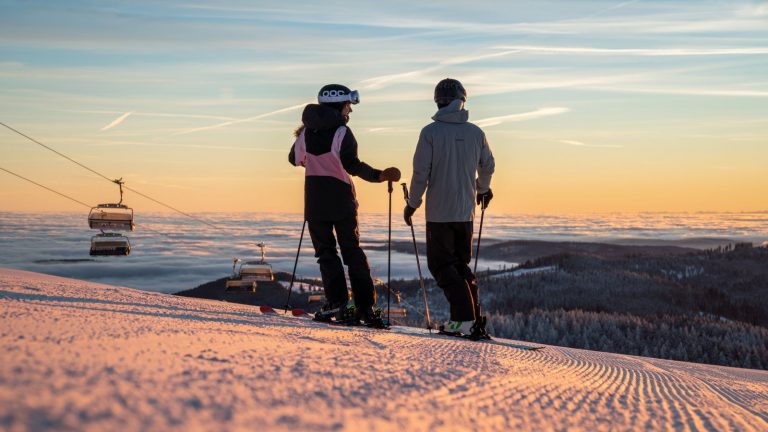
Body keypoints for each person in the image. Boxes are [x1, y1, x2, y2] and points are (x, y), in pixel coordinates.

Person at [289, 84, 401, 326]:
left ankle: (337, 303)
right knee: (352, 252)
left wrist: (309, 150)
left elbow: (294, 160)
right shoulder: (342, 133)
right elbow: (353, 165)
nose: (350, 110)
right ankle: (365, 308)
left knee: (326, 253)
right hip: (341, 200)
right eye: (349, 105)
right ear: (339, 105)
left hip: (315, 202)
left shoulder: (306, 134)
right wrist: (380, 175)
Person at [404, 78, 495, 338]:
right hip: (466, 212)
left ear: (438, 102)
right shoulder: (476, 133)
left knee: (442, 266)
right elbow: (487, 166)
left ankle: (464, 321)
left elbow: (421, 172)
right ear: (461, 101)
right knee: (461, 266)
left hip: (439, 214)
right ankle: (472, 319)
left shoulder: (430, 132)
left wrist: (412, 204)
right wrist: (482, 189)